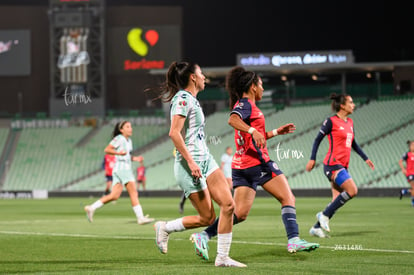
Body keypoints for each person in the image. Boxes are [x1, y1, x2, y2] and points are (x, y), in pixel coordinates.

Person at [191, 66, 319, 261]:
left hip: (241, 167)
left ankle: (204, 235)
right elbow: (232, 120)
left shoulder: (248, 107)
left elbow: (254, 136)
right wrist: (252, 131)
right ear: (252, 87)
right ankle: (294, 239)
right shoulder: (245, 105)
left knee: (240, 214)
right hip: (258, 164)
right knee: (288, 198)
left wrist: (275, 132)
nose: (263, 89)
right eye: (261, 85)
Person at [153, 61, 246, 267]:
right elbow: (174, 133)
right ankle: (165, 228)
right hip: (189, 165)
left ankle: (222, 258)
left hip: (206, 160)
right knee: (207, 218)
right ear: (193, 77)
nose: (204, 77)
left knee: (229, 205)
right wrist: (191, 161)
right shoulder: (183, 99)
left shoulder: (193, 100)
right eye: (201, 73)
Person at [306, 93, 375, 238]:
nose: (353, 104)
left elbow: (353, 143)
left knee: (335, 201)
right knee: (352, 190)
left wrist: (365, 158)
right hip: (332, 164)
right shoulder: (331, 121)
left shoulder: (350, 122)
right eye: (351, 102)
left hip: (343, 165)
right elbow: (317, 139)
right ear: (342, 105)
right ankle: (323, 215)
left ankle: (316, 228)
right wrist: (312, 159)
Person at [84, 121, 154, 225]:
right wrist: (118, 153)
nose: (131, 129)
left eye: (130, 126)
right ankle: (140, 218)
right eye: (127, 127)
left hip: (119, 169)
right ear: (121, 130)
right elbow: (107, 149)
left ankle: (92, 207)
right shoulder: (119, 138)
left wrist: (135, 158)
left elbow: (126, 155)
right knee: (133, 193)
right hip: (123, 169)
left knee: (114, 196)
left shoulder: (128, 140)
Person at [398, 140, 414, 206]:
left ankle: (404, 191)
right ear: (410, 147)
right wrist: (403, 169)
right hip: (410, 173)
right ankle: (413, 201)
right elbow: (400, 161)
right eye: (413, 145)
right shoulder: (407, 154)